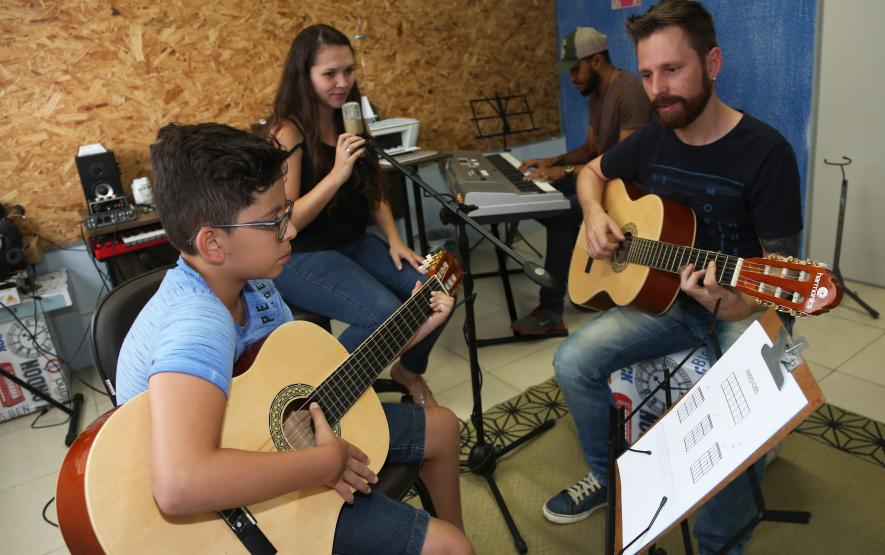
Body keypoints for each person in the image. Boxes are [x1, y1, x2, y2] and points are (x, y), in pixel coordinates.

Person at [116, 122, 472, 555]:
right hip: (232, 515)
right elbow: (178, 485)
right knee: (449, 547)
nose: (291, 231)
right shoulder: (197, 322)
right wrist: (322, 463)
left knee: (442, 427)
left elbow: (313, 389)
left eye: (287, 212)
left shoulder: (257, 285)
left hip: (275, 453)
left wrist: (410, 333)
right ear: (212, 244)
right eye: (274, 222)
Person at [543, 2, 803, 553]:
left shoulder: (767, 154)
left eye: (673, 70)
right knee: (571, 361)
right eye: (646, 73)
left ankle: (717, 542)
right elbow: (593, 172)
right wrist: (594, 214)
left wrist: (735, 303)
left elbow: (776, 282)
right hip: (666, 301)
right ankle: (616, 483)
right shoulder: (654, 137)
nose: (658, 89)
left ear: (712, 62)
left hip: (735, 304)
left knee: (733, 421)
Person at [268, 24, 443, 406]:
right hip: (301, 255)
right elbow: (288, 220)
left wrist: (395, 240)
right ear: (305, 76)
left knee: (438, 287)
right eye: (329, 73)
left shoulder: (347, 118)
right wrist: (336, 174)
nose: (342, 82)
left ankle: (408, 371)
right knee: (384, 315)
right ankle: (318, 398)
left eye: (348, 71)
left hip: (353, 243)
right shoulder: (288, 132)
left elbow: (372, 188)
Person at [511, 26, 651, 336]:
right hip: (600, 179)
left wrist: (568, 174)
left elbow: (624, 165)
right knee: (539, 191)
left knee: (562, 215)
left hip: (628, 189)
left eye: (576, 69)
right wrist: (553, 161)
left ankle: (551, 311)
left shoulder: (628, 93)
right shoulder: (597, 93)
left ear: (597, 61)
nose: (572, 77)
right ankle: (577, 277)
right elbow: (591, 150)